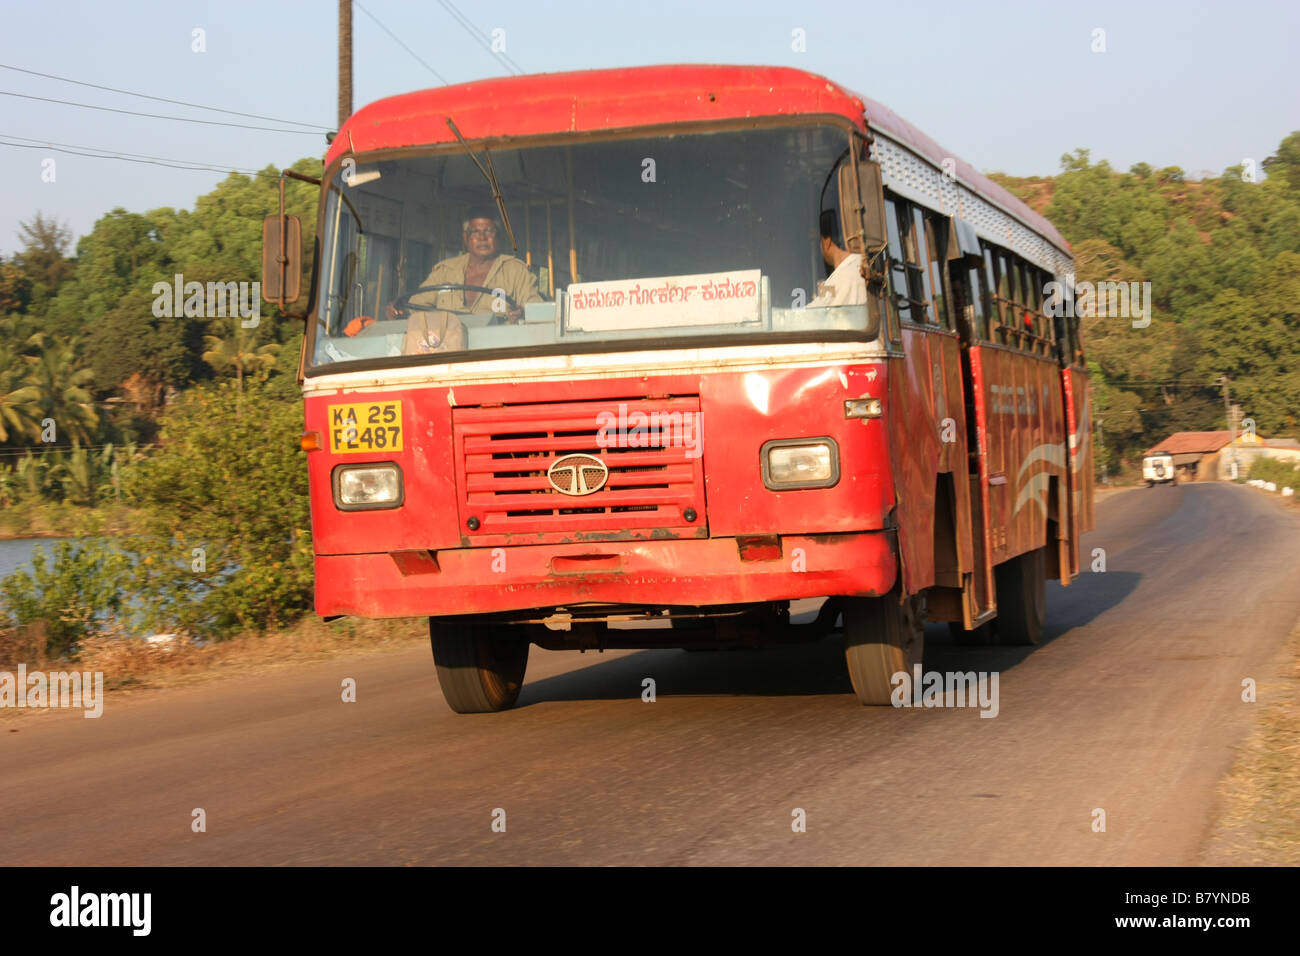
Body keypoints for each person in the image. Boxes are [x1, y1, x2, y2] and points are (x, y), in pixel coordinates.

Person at [399, 207, 542, 355]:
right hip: (445, 353)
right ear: (466, 237)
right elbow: (415, 307)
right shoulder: (445, 271)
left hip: (498, 352)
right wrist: (399, 312)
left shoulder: (516, 271)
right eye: (475, 232)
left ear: (499, 237)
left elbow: (538, 312)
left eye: (489, 231)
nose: (482, 238)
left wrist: (522, 313)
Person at [808, 210, 867, 307]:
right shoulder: (861, 265)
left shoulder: (844, 276)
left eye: (820, 241)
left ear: (827, 242)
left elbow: (814, 313)